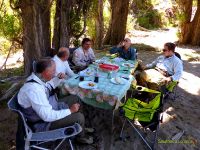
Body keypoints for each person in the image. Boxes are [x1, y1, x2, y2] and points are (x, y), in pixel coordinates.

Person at [18, 58, 93, 144]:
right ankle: (81, 137)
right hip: (44, 123)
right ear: (45, 72)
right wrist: (70, 111)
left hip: (50, 108)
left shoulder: (37, 78)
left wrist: (58, 78)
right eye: (53, 70)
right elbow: (47, 116)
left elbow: (48, 86)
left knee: (76, 98)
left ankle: (81, 127)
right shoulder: (34, 90)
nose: (55, 73)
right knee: (79, 117)